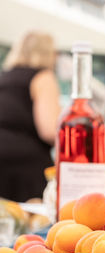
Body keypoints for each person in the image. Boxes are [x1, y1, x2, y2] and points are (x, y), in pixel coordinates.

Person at [0, 31, 61, 202]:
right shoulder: (42, 77)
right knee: (32, 223)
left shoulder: (4, 77)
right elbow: (49, 130)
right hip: (25, 167)